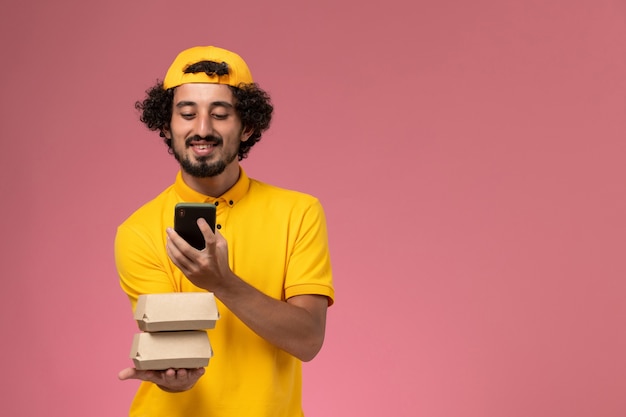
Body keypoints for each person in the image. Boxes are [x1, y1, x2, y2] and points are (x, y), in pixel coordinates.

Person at [114, 45, 335, 417]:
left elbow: (308, 339)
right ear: (167, 126)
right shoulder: (138, 231)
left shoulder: (298, 213)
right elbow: (171, 347)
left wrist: (223, 282)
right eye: (187, 114)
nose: (202, 129)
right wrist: (175, 375)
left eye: (220, 114)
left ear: (247, 127)